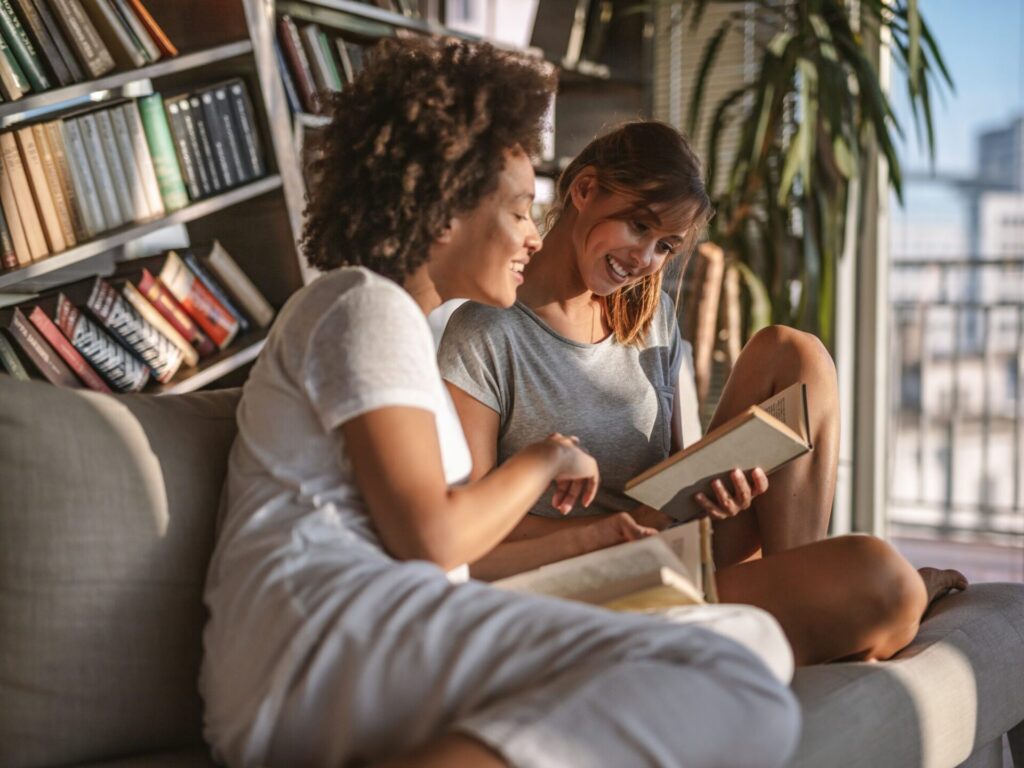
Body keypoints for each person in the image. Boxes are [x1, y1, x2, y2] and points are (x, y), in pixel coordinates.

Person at [200, 41, 801, 768]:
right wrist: (547, 457)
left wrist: (604, 540)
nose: (529, 234)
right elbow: (434, 538)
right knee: (739, 676)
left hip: (387, 634)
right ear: (447, 206)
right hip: (317, 645)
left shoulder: (392, 328)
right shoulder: (362, 304)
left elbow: (442, 553)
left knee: (753, 640)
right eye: (518, 209)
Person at [438, 120, 968, 667]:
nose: (645, 259)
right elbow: (474, 531)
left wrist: (716, 488)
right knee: (882, 580)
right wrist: (611, 533)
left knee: (796, 352)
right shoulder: (487, 330)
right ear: (585, 189)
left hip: (668, 546)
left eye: (665, 245)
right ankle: (834, 610)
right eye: (639, 225)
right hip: (580, 578)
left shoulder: (649, 315)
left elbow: (663, 476)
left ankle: (808, 585)